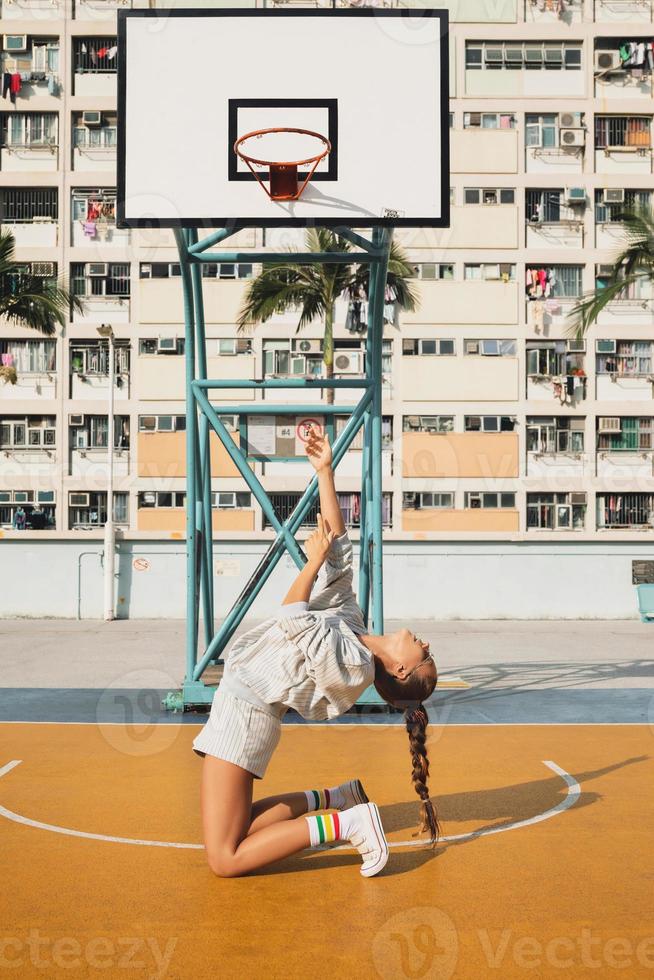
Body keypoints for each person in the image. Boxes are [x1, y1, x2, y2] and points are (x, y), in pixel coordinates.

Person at [192, 426, 438, 878]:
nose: (426, 644)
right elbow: (341, 555)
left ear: (402, 669)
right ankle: (337, 799)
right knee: (239, 827)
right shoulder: (354, 630)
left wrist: (312, 560)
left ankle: (348, 823)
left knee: (225, 858)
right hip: (244, 706)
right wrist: (325, 470)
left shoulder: (352, 667)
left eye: (425, 654)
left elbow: (293, 615)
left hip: (244, 713)